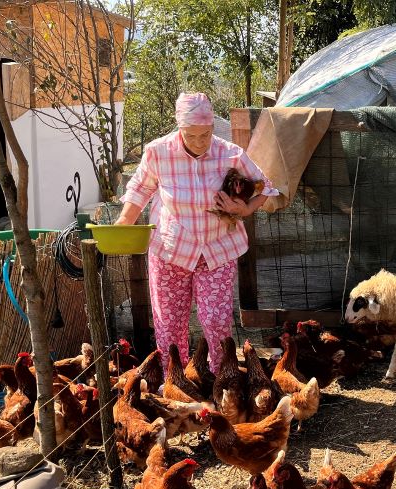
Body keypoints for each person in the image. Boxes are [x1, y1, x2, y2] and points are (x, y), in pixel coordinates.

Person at [116, 92, 278, 373]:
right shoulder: (159, 152)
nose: (200, 142)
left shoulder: (229, 153)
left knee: (216, 321)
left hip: (217, 249)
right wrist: (123, 223)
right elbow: (140, 189)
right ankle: (174, 381)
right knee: (169, 324)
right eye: (192, 135)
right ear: (179, 128)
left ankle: (222, 379)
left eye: (206, 134)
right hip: (171, 249)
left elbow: (265, 186)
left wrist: (244, 209)